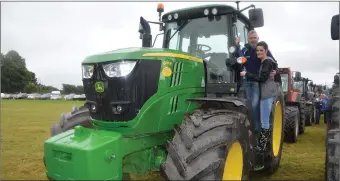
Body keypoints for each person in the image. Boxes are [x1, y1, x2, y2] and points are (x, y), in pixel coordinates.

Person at [240, 41, 278, 170]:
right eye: (257, 51)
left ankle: (260, 154)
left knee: (265, 123)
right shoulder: (264, 62)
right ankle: (260, 151)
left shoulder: (267, 62)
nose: (259, 53)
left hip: (267, 95)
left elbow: (262, 78)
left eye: (261, 50)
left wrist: (247, 74)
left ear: (266, 51)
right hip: (265, 94)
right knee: (263, 122)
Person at [234, 30, 278, 134]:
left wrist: (275, 71)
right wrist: (237, 45)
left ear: (258, 38)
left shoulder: (262, 49)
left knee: (255, 106)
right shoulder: (246, 50)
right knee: (246, 106)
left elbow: (272, 61)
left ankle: (257, 130)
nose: (253, 40)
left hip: (256, 82)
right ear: (248, 39)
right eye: (251, 38)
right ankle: (247, 128)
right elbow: (240, 57)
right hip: (245, 82)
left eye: (254, 38)